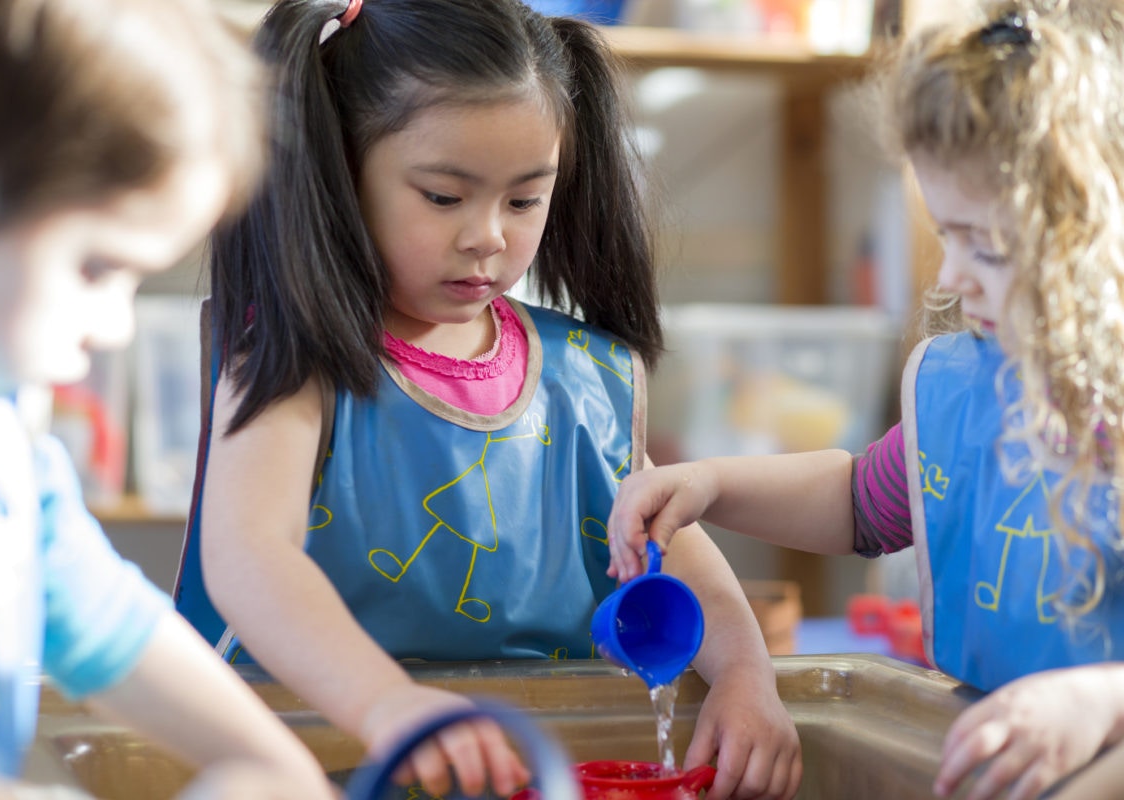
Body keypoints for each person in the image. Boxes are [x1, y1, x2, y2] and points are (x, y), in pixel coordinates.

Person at [171, 1, 801, 799]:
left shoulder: (582, 382)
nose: (489, 237)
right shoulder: (297, 357)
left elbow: (677, 551)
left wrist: (747, 677)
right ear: (340, 170)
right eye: (443, 197)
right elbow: (249, 556)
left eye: (523, 199)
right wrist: (388, 704)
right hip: (310, 767)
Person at [606, 2, 1124, 799]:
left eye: (987, 246)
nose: (950, 276)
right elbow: (861, 502)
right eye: (945, 234)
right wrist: (713, 483)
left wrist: (1101, 702)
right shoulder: (964, 383)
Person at [0, 0, 336, 797]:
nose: (115, 327)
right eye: (96, 268)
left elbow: (115, 628)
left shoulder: (0, 445)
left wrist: (274, 770)